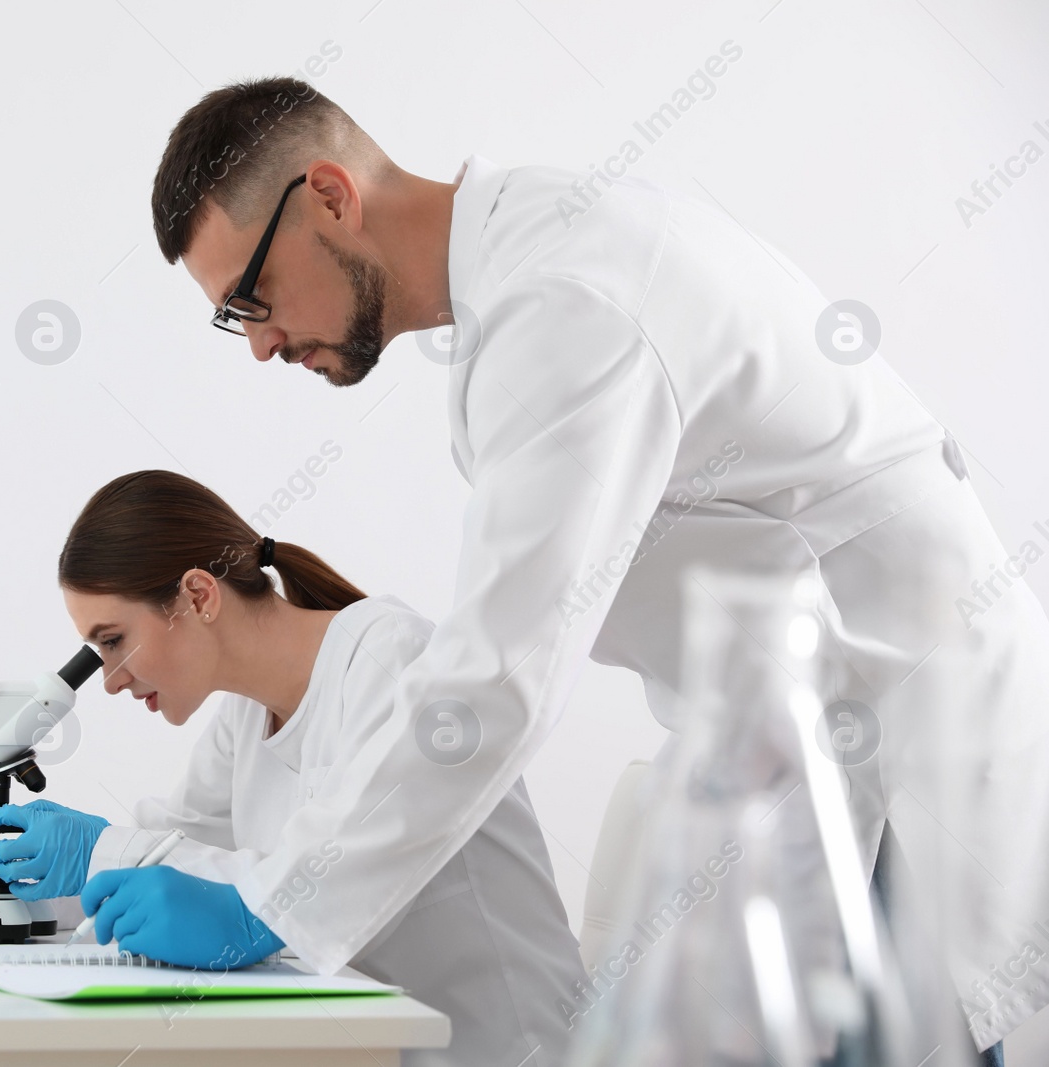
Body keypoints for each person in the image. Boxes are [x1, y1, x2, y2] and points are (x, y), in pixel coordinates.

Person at [91, 77, 1043, 1062]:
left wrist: (272, 905)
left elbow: (498, 677)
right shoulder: (528, 280)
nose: (258, 343)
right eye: (229, 320)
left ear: (328, 195)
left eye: (251, 296)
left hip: (895, 764)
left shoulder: (565, 303)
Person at [0, 469, 585, 1067]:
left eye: (113, 641)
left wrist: (100, 852)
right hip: (379, 1045)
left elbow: (336, 866)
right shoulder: (247, 715)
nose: (110, 680)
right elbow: (179, 848)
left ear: (198, 596)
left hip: (503, 1047)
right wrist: (8, 891)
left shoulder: (391, 659)